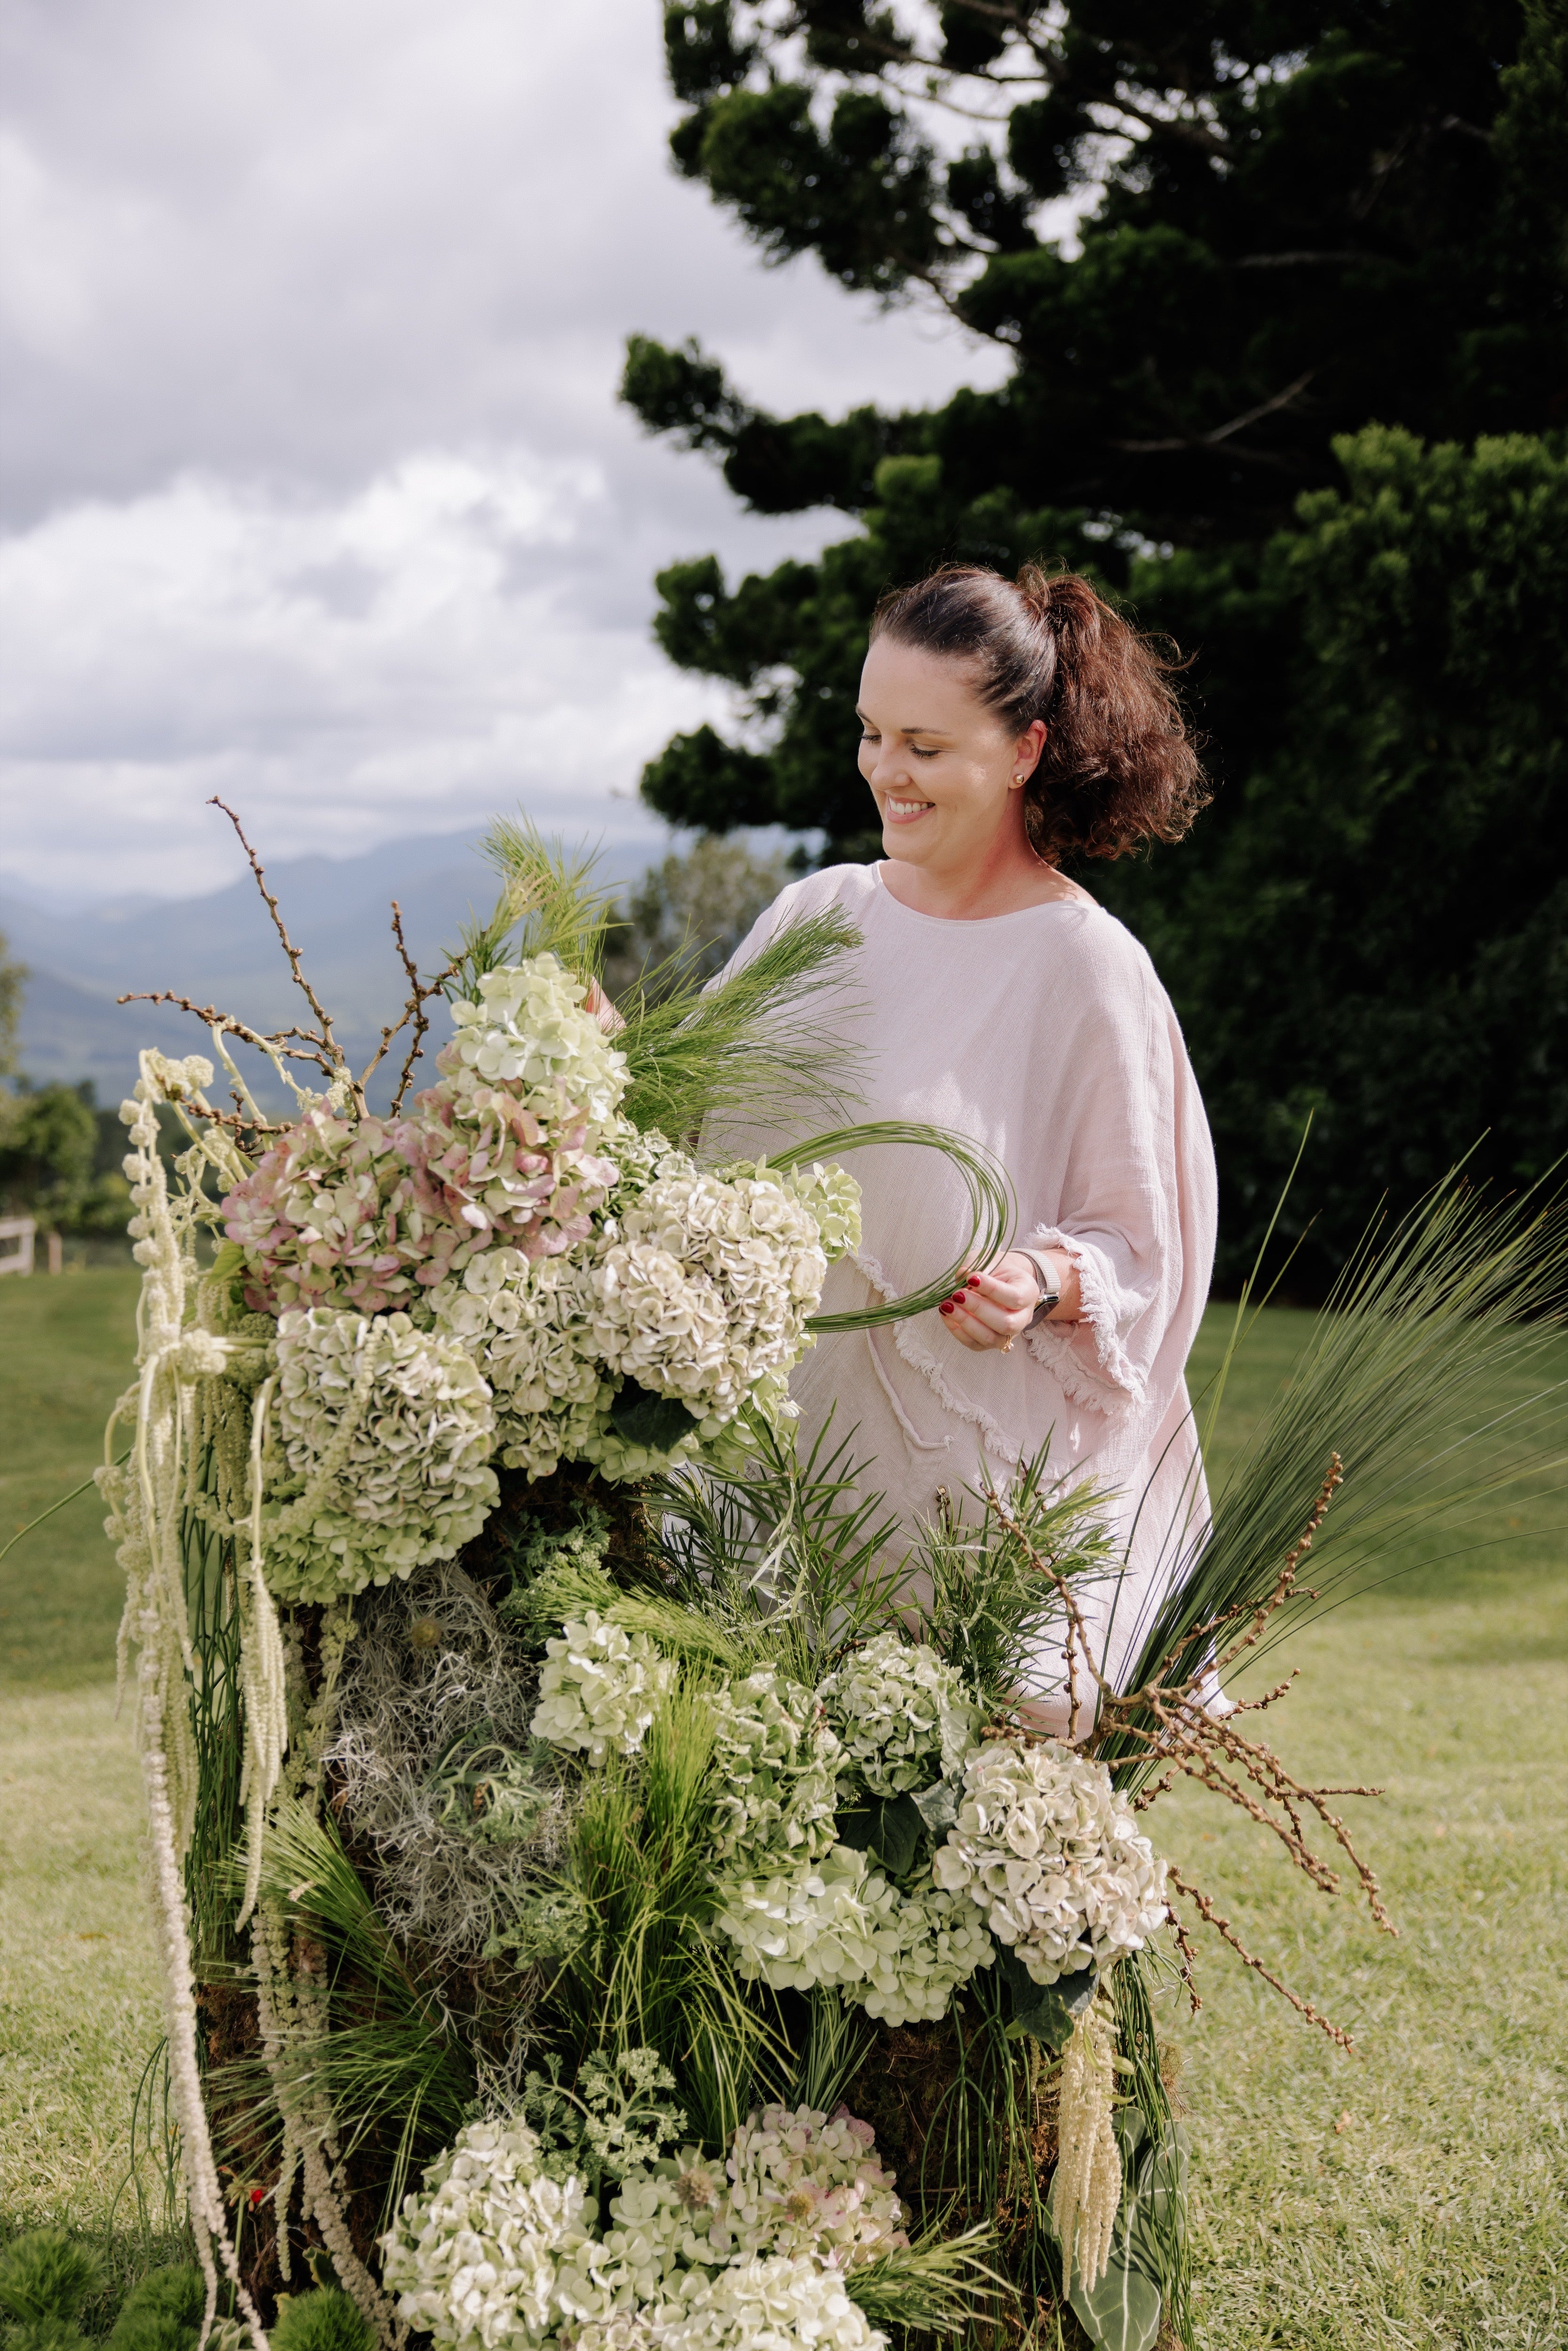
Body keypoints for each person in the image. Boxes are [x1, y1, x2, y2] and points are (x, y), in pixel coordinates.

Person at [717, 563, 1218, 1727]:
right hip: (778, 1481)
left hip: (973, 1523)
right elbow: (695, 1132)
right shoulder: (818, 917)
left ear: (1026, 750)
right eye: (872, 733)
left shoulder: (1086, 968)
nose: (887, 770)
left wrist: (1041, 1282)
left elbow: (1143, 1244)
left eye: (926, 746)